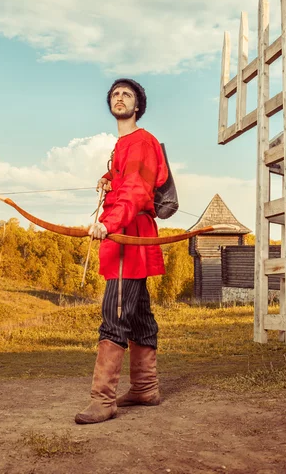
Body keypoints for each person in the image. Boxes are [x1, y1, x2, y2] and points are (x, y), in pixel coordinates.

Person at [75, 78, 168, 425]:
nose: (120, 97)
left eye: (127, 94)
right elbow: (124, 179)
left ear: (138, 106)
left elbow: (135, 189)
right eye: (115, 93)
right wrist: (107, 177)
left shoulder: (141, 141)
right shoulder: (124, 145)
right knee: (139, 314)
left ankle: (103, 400)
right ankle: (145, 388)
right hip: (129, 236)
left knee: (114, 313)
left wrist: (108, 223)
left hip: (129, 237)